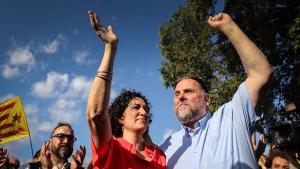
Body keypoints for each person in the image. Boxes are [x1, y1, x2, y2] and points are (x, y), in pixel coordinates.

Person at [160, 13, 272, 169]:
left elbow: (260, 73)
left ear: (207, 99)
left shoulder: (232, 117)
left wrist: (228, 26)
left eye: (188, 91)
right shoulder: (167, 148)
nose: (181, 97)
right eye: (177, 94)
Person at [86, 10, 166, 169]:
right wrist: (111, 49)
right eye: (136, 107)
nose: (143, 112)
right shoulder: (111, 148)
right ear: (120, 118)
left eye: (145, 108)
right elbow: (96, 115)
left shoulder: (160, 156)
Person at [21, 122, 86, 169]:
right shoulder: (28, 167)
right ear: (50, 142)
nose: (66, 141)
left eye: (70, 138)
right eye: (61, 136)